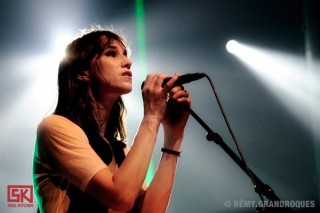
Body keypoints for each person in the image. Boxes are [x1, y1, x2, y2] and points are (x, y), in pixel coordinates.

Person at [32, 25, 191, 213]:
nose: (128, 62)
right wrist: (152, 116)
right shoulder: (55, 127)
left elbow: (151, 210)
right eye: (111, 53)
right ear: (82, 72)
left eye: (125, 54)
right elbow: (120, 198)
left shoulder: (120, 150)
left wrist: (173, 138)